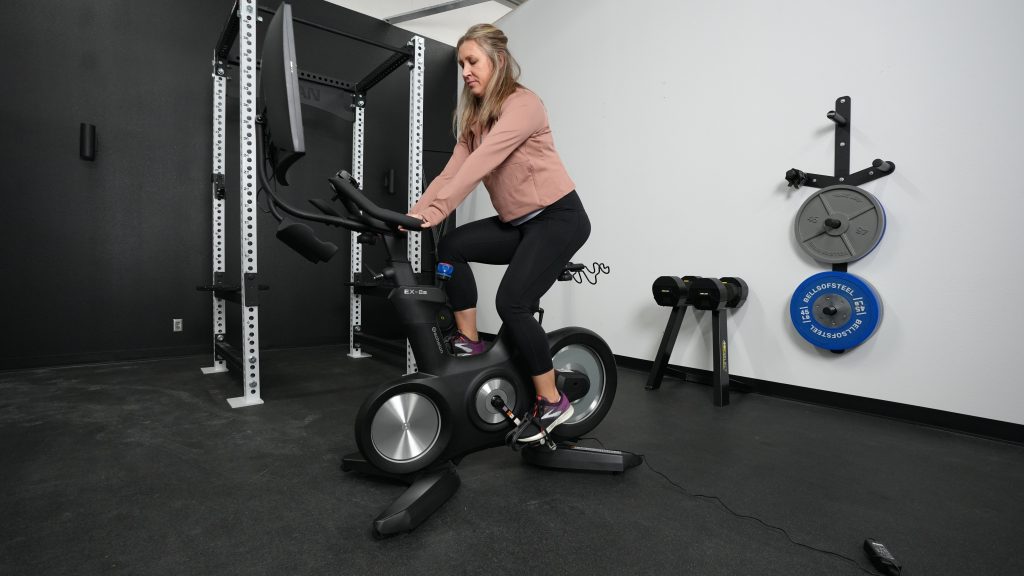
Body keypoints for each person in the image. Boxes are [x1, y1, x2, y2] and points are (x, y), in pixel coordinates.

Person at [407, 24, 590, 443]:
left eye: (473, 61)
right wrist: (412, 215)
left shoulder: (523, 105)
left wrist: (436, 210)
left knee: (513, 302)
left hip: (558, 219)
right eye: (461, 64)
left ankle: (552, 400)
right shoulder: (473, 120)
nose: (466, 71)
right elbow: (451, 172)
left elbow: (480, 164)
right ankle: (469, 341)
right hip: (519, 224)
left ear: (498, 61)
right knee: (452, 245)